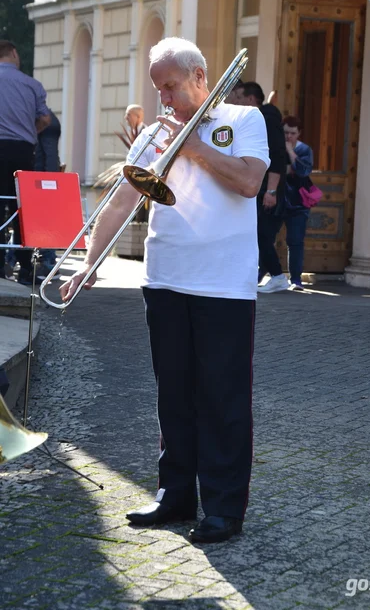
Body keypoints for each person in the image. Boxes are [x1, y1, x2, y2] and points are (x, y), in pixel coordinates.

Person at [60, 37, 269, 544]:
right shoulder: (154, 134)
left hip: (223, 285)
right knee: (173, 394)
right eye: (158, 91)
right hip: (165, 279)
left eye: (171, 88)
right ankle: (175, 495)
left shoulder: (243, 120)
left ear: (200, 76)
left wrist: (194, 147)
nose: (164, 102)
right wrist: (89, 264)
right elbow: (120, 200)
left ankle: (222, 508)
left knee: (221, 397)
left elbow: (249, 183)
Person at [0, 40, 50, 284]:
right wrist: (29, 130)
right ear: (14, 53)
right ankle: (26, 269)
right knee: (22, 208)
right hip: (22, 150)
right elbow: (45, 118)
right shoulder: (32, 85)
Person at [242, 81, 288, 293]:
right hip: (262, 189)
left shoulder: (266, 119)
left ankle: (278, 276)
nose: (235, 101)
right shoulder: (261, 118)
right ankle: (258, 276)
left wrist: (271, 191)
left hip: (269, 191)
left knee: (260, 234)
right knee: (261, 235)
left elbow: (277, 157)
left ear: (250, 99)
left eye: (239, 97)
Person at [282, 116, 314, 290]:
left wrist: (291, 153)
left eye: (292, 133)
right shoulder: (276, 147)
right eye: (285, 132)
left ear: (298, 133)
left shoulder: (304, 150)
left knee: (295, 241)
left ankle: (295, 279)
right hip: (279, 200)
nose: (288, 137)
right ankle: (261, 276)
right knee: (266, 239)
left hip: (298, 203)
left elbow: (303, 171)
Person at [34, 108, 62, 276]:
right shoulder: (50, 117)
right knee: (45, 219)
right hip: (46, 175)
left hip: (39, 176)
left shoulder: (44, 120)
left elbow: (47, 153)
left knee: (40, 219)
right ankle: (49, 260)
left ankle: (47, 261)